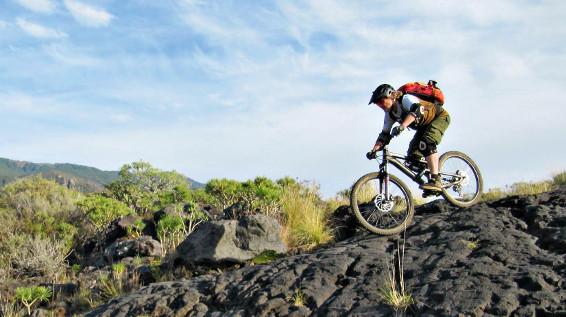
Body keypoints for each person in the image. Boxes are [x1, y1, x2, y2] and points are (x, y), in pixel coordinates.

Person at [366, 83, 451, 191]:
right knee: (412, 160)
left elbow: (418, 110)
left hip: (439, 117)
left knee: (426, 143)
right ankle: (430, 185)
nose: (380, 106)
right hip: (423, 127)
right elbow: (384, 136)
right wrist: (374, 150)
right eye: (378, 104)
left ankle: (436, 180)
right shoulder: (390, 115)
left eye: (381, 102)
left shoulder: (405, 99)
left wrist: (402, 126)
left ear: (391, 95)